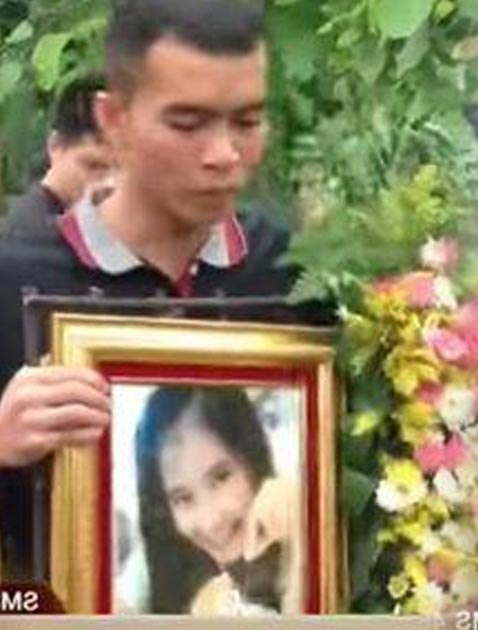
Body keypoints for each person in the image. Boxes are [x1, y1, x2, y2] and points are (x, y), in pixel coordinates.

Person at [0, 0, 324, 579]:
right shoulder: (14, 280)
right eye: (187, 124)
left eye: (247, 122)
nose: (224, 156)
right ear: (114, 120)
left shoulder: (293, 271)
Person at [129, 386, 298, 614]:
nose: (211, 522)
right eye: (183, 498)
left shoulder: (307, 519)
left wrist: (299, 553)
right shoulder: (162, 568)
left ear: (253, 460)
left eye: (221, 477)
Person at [2, 76, 113, 237]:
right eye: (93, 166)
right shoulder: (32, 234)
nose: (107, 182)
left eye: (122, 171)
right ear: (55, 146)